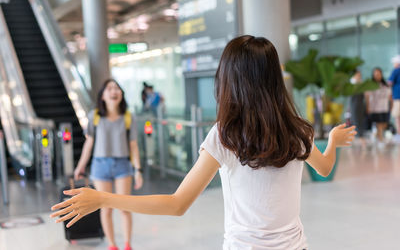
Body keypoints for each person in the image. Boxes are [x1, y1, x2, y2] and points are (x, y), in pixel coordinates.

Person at [51, 36, 356, 250]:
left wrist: (105, 199)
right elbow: (326, 167)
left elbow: (177, 204)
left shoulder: (226, 135)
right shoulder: (298, 130)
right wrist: (332, 141)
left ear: (231, 82)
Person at [73, 79, 143, 250]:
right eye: (110, 88)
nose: (114, 91)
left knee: (125, 207)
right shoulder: (95, 116)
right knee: (106, 209)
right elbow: (89, 143)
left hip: (122, 165)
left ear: (121, 94)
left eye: (117, 88)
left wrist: (138, 170)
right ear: (103, 95)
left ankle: (127, 245)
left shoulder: (128, 117)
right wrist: (80, 166)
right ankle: (112, 245)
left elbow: (133, 145)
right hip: (100, 165)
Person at [365, 67, 392, 148]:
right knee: (379, 125)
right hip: (375, 108)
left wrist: (391, 105)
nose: (377, 75)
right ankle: (380, 140)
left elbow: (389, 96)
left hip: (385, 107)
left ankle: (374, 135)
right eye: (375, 74)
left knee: (384, 124)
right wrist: (368, 107)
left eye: (379, 74)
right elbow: (367, 97)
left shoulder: (385, 85)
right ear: (373, 75)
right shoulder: (370, 85)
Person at [349, 70, 367, 147]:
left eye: (359, 74)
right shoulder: (352, 83)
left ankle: (352, 139)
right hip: (354, 104)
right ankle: (361, 138)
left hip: (361, 104)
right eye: (357, 74)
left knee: (359, 120)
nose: (359, 75)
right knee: (356, 121)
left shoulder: (361, 83)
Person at [388, 55, 400, 143]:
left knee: (397, 117)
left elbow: (389, 82)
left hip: (397, 97)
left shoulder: (396, 70)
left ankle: (399, 135)